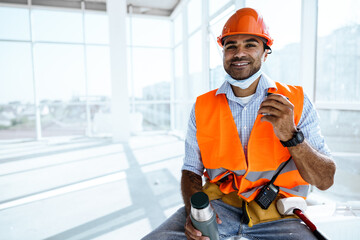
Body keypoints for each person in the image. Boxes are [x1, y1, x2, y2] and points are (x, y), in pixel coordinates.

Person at [142, 7, 336, 240]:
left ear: (266, 52)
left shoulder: (296, 102)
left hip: (279, 213)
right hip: (218, 209)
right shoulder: (203, 106)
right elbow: (191, 170)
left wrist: (291, 135)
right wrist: (196, 213)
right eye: (231, 45)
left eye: (250, 44)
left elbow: (324, 180)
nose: (239, 53)